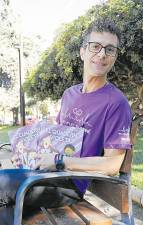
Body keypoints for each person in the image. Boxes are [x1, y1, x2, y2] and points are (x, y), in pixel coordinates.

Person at [0, 18, 132, 224]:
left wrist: (59, 161)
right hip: (45, 176)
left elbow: (112, 164)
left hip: (68, 186)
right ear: (82, 52)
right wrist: (28, 156)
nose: (102, 54)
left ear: (114, 57)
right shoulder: (69, 94)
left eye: (110, 49)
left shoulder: (116, 102)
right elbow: (56, 143)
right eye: (95, 46)